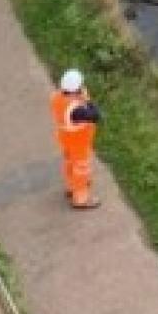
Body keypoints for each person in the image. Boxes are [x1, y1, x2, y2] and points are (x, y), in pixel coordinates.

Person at [51, 69, 102, 210]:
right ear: (75, 89)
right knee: (81, 168)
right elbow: (96, 115)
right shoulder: (76, 110)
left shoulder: (56, 97)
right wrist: (87, 100)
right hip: (78, 142)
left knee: (70, 163)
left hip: (65, 138)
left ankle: (71, 187)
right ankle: (81, 198)